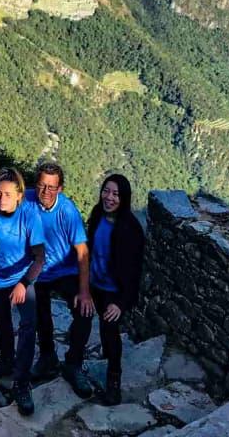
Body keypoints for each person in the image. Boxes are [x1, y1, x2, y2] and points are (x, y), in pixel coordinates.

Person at [62, 174, 145, 406]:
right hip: (92, 283)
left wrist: (121, 303)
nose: (109, 197)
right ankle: (73, 363)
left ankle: (113, 379)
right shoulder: (97, 215)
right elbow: (86, 250)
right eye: (106, 191)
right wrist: (82, 287)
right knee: (82, 320)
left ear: (124, 198)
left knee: (110, 331)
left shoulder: (130, 230)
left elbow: (134, 271)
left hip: (113, 291)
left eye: (116, 194)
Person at [0, 168, 45, 416]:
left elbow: (39, 257)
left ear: (19, 196)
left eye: (7, 194)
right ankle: (6, 361)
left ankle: (22, 382)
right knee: (3, 323)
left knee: (28, 327)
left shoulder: (29, 216)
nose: (1, 199)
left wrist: (24, 284)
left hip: (22, 277)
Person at [24, 163, 96, 384]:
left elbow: (82, 252)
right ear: (36, 185)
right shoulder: (27, 199)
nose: (46, 192)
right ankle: (48, 357)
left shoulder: (67, 211)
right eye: (42, 186)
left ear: (60, 188)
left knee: (84, 313)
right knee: (39, 314)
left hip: (65, 270)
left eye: (52, 187)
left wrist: (84, 292)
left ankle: (73, 363)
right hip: (38, 268)